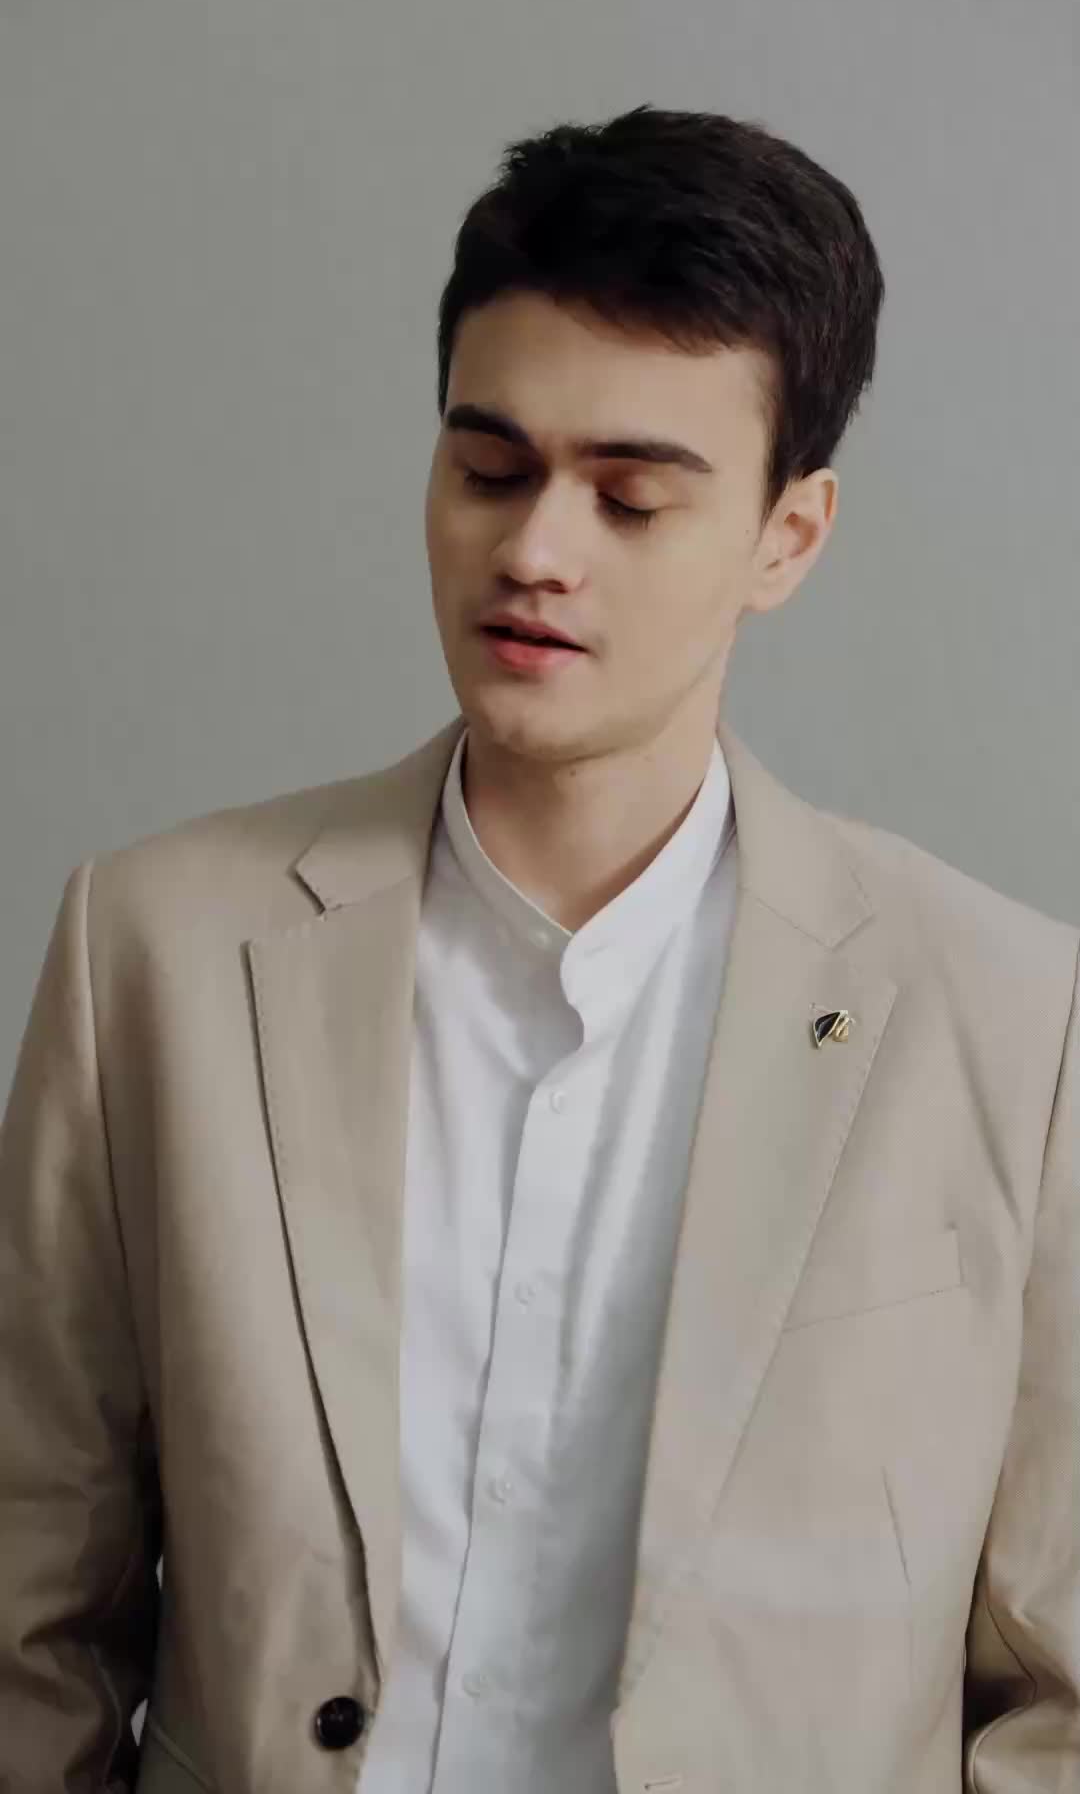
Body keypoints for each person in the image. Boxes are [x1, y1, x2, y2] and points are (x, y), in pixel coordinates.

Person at [0, 104, 1077, 1794]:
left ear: (788, 537)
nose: (532, 553)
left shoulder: (1015, 1025)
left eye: (631, 499)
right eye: (488, 470)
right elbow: (28, 1621)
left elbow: (1062, 1693)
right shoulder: (150, 954)